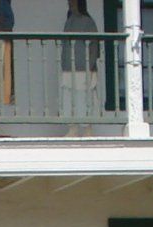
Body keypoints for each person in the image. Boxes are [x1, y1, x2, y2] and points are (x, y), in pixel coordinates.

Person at [60, 0, 102, 134]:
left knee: (85, 98)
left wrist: (89, 67)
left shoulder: (88, 22)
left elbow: (94, 47)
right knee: (69, 98)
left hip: (84, 68)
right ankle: (72, 128)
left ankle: (87, 129)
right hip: (68, 68)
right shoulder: (69, 21)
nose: (70, 5)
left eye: (73, 3)